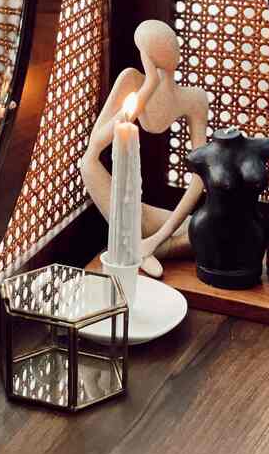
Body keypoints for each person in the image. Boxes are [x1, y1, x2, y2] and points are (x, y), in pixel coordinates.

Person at [80, 19, 209, 277]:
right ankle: (134, 247)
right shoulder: (131, 80)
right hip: (125, 208)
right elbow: (96, 144)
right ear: (147, 55)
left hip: (152, 221)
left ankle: (132, 248)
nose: (173, 50)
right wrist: (148, 85)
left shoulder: (194, 98)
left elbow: (200, 177)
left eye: (172, 43)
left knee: (209, 233)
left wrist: (158, 237)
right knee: (87, 164)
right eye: (162, 47)